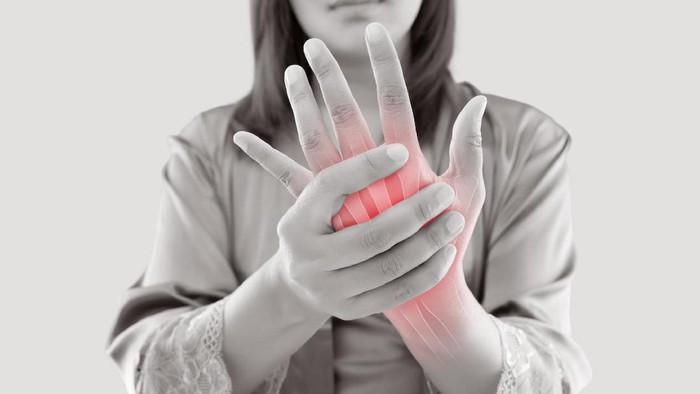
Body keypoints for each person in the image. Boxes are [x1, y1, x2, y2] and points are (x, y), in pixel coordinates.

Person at [106, 1, 592, 393]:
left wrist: (441, 311)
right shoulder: (209, 151)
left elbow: (551, 382)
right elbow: (156, 379)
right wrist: (288, 292)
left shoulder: (524, 143)